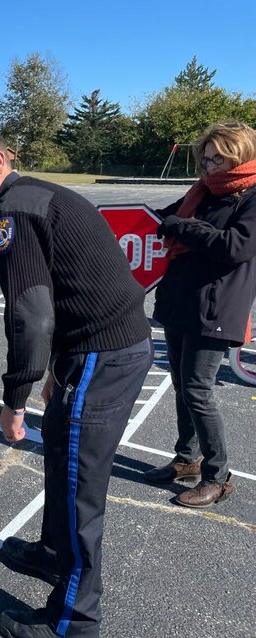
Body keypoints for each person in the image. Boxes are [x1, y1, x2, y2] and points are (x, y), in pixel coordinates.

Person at [0, 128, 152, 638]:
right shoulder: (34, 194)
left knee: (81, 488)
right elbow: (67, 289)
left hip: (104, 354)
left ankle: (73, 624)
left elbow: (30, 317)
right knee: (60, 453)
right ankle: (52, 554)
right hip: (93, 347)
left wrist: (13, 399)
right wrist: (56, 372)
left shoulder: (13, 213)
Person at [143, 120, 256, 508]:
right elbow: (161, 217)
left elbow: (236, 247)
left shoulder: (251, 195)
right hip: (180, 301)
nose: (209, 168)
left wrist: (184, 228)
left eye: (217, 160)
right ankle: (186, 459)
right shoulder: (201, 192)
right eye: (205, 159)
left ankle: (218, 476)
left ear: (238, 156)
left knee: (198, 390)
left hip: (217, 308)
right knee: (181, 384)